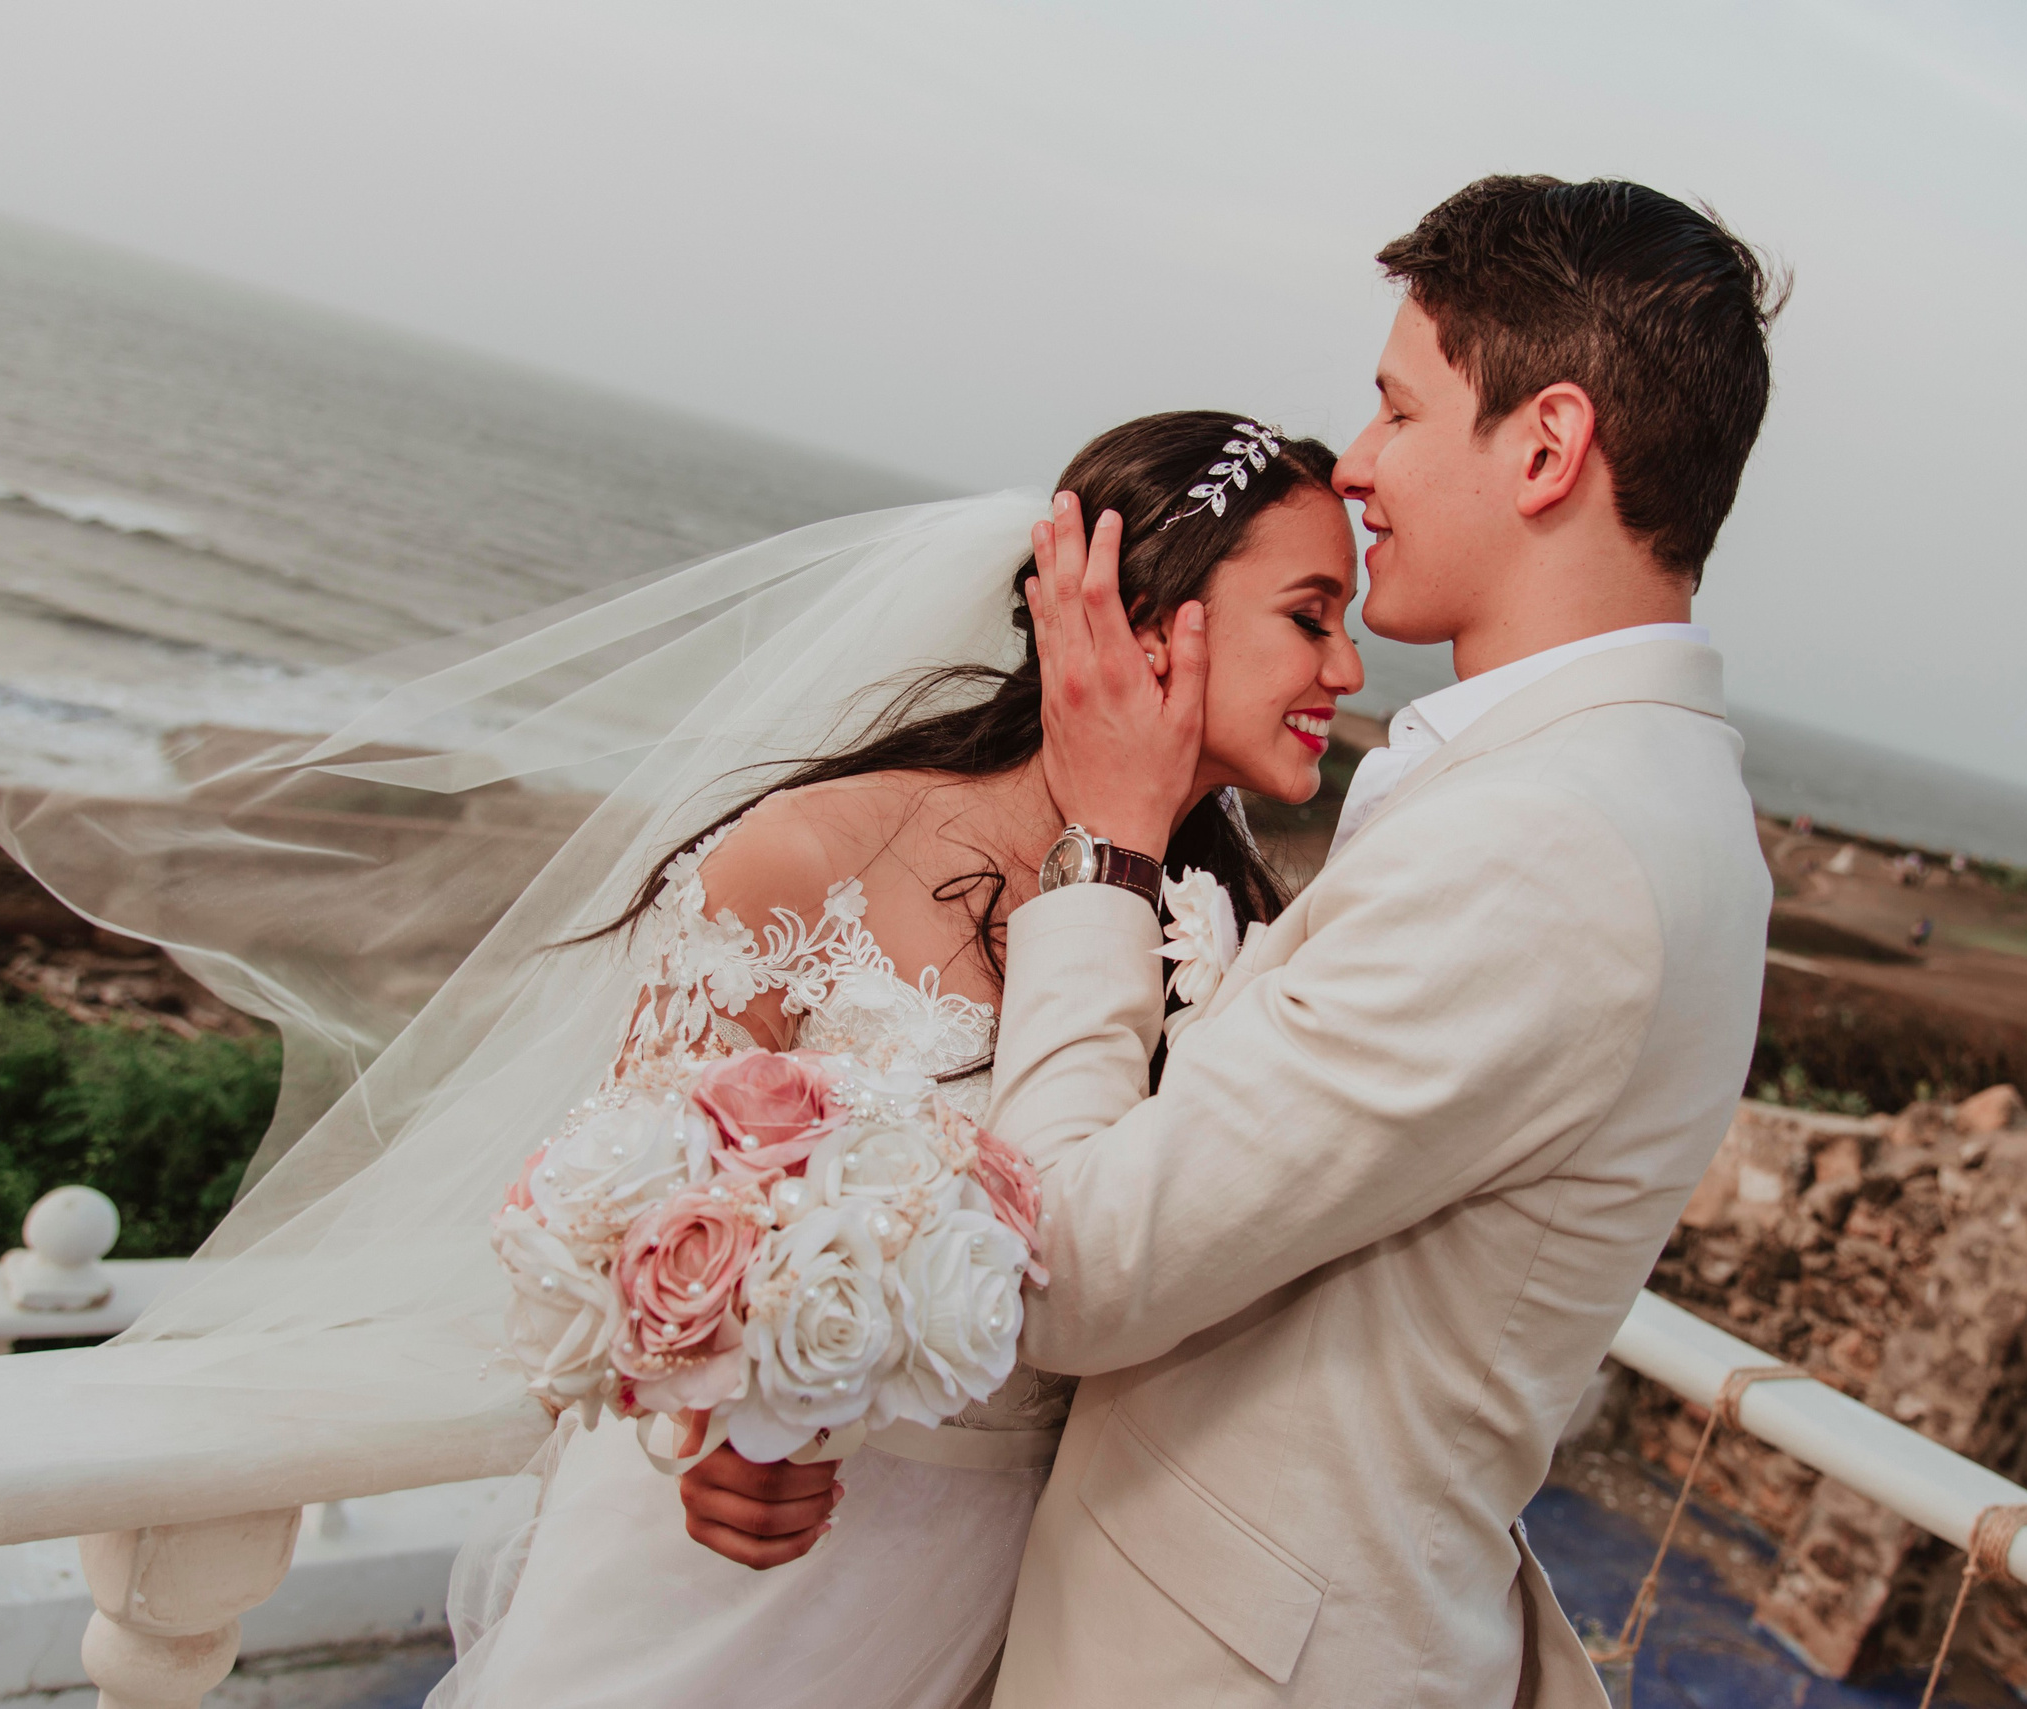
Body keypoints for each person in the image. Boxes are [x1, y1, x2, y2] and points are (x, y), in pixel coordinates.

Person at [691, 173, 1785, 1709]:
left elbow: (1066, 1262)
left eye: (1400, 407)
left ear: (1546, 446)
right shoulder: (1646, 798)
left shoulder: (1548, 839)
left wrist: (1107, 844)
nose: (1365, 460)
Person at [438, 410, 1364, 1707]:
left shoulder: (1239, 941)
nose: (1349, 666)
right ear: (1147, 617)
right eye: (1312, 616)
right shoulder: (816, 855)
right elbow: (609, 1221)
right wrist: (702, 1428)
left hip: (990, 1592)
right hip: (722, 1574)